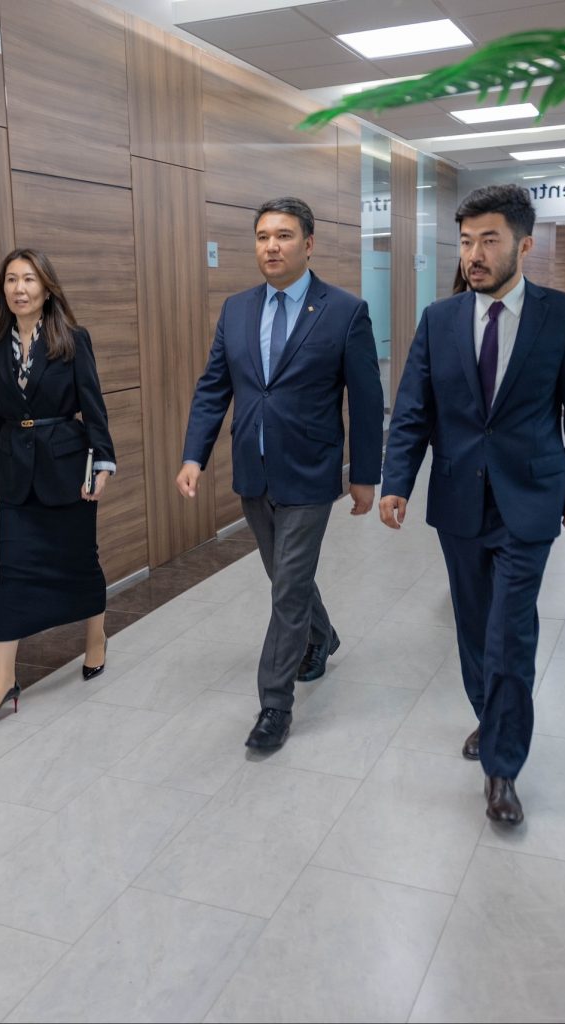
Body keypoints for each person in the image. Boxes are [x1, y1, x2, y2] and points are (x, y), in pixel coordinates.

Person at [379, 184, 565, 826]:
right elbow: (414, 409)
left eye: (489, 240)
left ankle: (503, 767)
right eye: (466, 241)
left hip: (529, 499)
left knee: (510, 632)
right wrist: (397, 481)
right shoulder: (439, 319)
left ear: (523, 245)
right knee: (475, 627)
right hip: (458, 498)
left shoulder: (562, 316)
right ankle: (491, 714)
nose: (474, 255)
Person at [176, 197, 383, 751]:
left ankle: (274, 704)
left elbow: (366, 402)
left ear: (308, 244)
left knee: (287, 586)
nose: (271, 246)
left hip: (311, 471)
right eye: (263, 236)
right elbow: (213, 388)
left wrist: (365, 474)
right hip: (254, 469)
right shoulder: (237, 309)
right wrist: (194, 456)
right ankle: (324, 633)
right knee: (285, 576)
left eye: (284, 236)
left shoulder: (344, 311)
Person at [0, 248, 116, 717]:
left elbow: (93, 405)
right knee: (11, 570)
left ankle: (95, 638)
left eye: (29, 279)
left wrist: (103, 464)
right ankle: (4, 679)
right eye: (11, 280)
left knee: (79, 560)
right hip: (15, 469)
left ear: (47, 288)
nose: (20, 289)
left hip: (67, 467)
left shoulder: (72, 339)